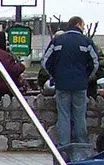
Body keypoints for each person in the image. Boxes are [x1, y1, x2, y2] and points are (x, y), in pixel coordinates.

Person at [43, 16, 100, 145]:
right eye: (83, 25)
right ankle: (81, 146)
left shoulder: (57, 41)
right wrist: (87, 77)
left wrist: (55, 76)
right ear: (78, 24)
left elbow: (46, 62)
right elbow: (95, 63)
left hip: (62, 84)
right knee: (80, 116)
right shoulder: (86, 41)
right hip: (80, 84)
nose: (84, 28)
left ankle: (64, 147)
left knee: (63, 115)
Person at [0, 31, 26, 99]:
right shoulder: (4, 55)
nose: (8, 42)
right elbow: (13, 70)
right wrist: (22, 66)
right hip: (4, 88)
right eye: (6, 40)